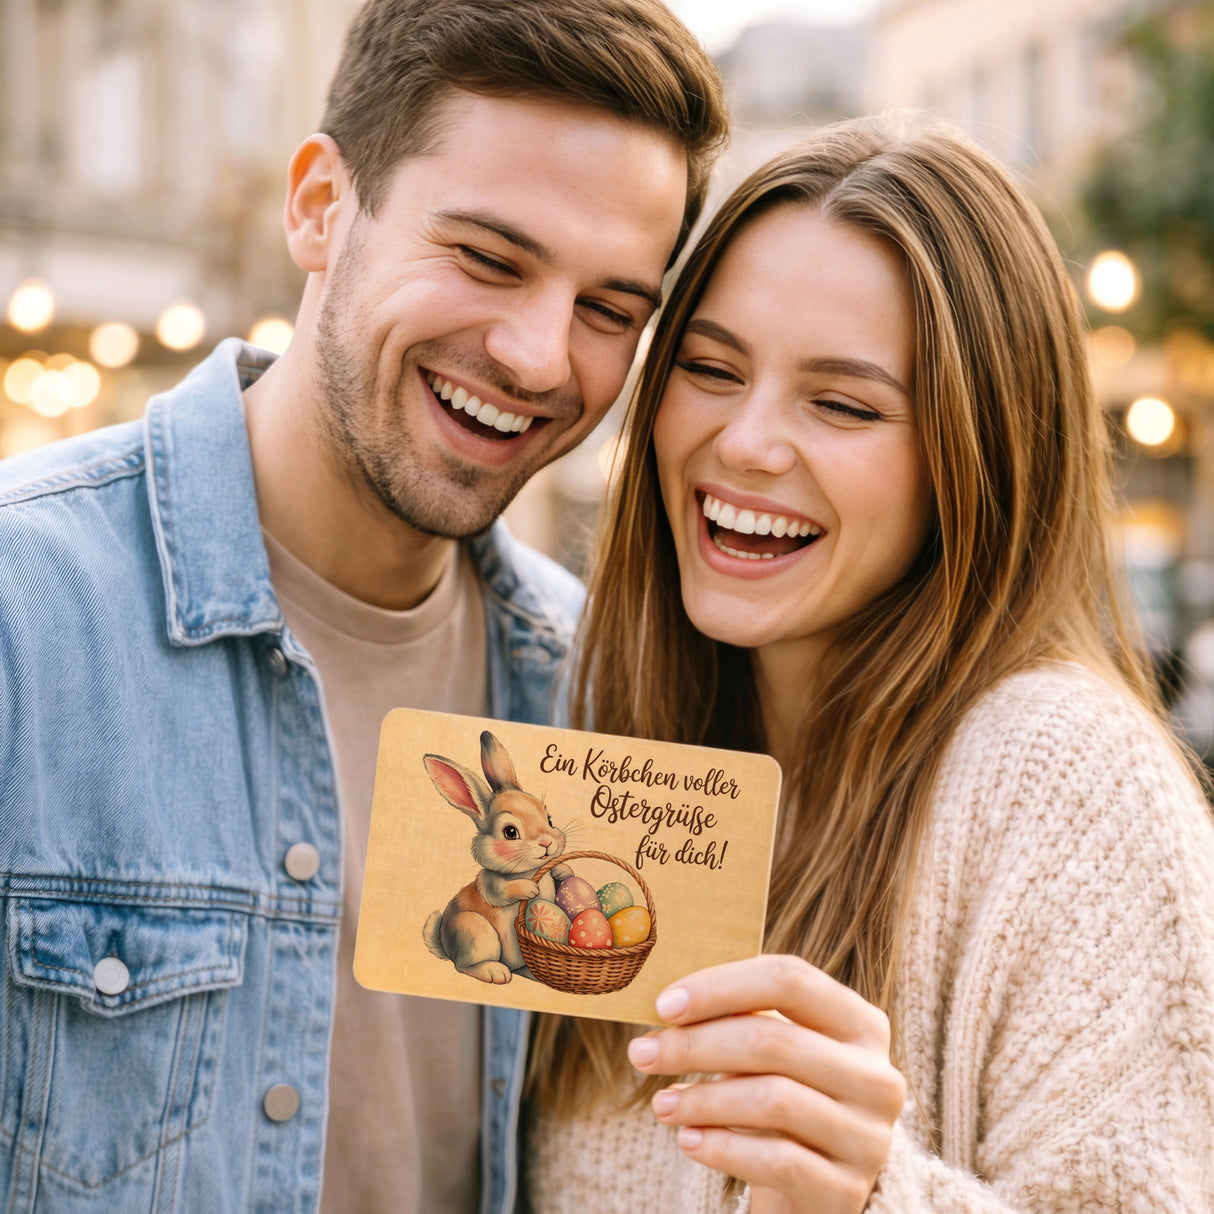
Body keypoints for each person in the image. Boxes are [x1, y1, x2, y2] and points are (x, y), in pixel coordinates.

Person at [0, 2, 728, 1211]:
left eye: (609, 309)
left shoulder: (595, 689)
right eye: (487, 257)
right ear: (319, 206)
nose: (540, 356)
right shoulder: (25, 612)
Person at [522, 115, 1214, 1213]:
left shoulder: (1068, 782)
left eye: (841, 404)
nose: (745, 442)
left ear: (975, 456)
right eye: (710, 368)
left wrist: (870, 1194)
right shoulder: (607, 728)